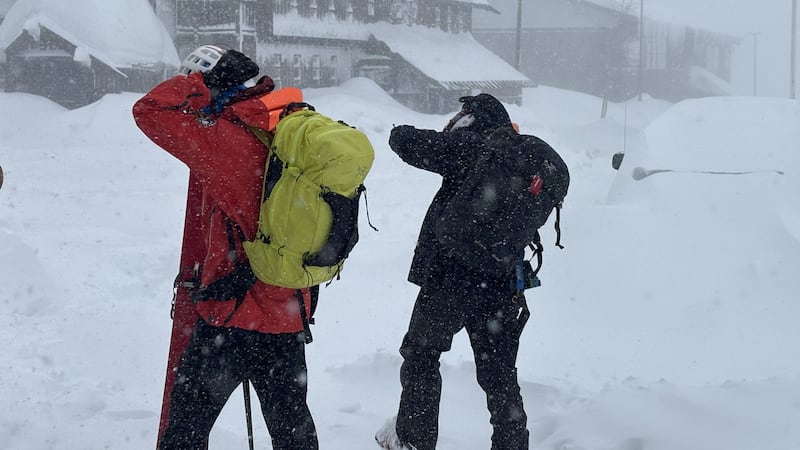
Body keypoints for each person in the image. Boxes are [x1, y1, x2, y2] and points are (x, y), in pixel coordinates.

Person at [133, 45, 318, 449]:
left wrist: (195, 85)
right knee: (293, 432)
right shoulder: (292, 129)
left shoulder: (225, 139)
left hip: (230, 315)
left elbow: (149, 111)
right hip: (288, 311)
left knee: (184, 430)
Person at [376, 94, 535, 450]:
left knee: (421, 356)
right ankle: (513, 444)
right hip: (504, 282)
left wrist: (396, 128)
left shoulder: (471, 147)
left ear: (470, 119)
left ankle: (413, 441)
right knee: (499, 374)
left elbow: (408, 143)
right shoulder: (520, 159)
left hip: (451, 280)